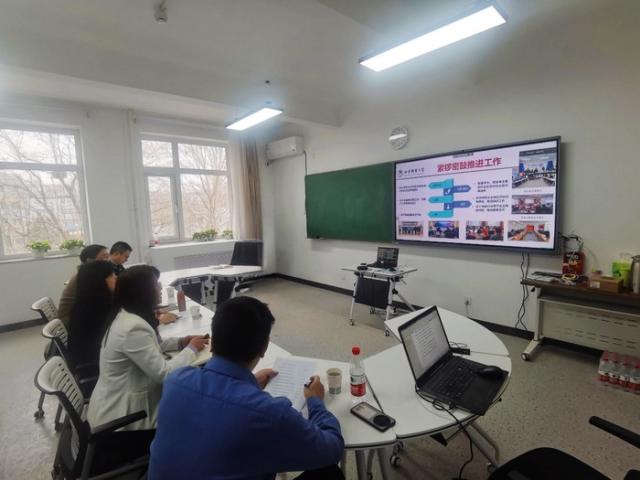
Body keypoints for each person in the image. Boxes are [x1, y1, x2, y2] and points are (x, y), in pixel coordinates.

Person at [149, 297, 345, 480]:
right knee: (329, 473)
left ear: (213, 342)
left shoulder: (175, 381)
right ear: (264, 347)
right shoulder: (270, 413)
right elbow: (333, 448)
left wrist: (250, 384)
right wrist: (315, 401)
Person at [86, 265, 209, 432]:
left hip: (119, 402)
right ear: (143, 291)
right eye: (155, 285)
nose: (160, 288)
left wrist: (181, 342)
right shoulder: (132, 328)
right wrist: (191, 349)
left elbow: (149, 346)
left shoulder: (126, 316)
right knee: (198, 407)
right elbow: (165, 374)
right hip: (123, 418)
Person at [67, 260, 116, 371]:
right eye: (112, 275)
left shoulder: (88, 301)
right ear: (99, 280)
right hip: (96, 365)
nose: (116, 278)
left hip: (92, 358)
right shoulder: (98, 307)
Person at [58, 244, 110, 327]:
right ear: (90, 260)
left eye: (108, 256)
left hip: (79, 314)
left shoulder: (87, 272)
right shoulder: (87, 277)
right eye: (104, 257)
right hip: (70, 320)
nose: (108, 260)